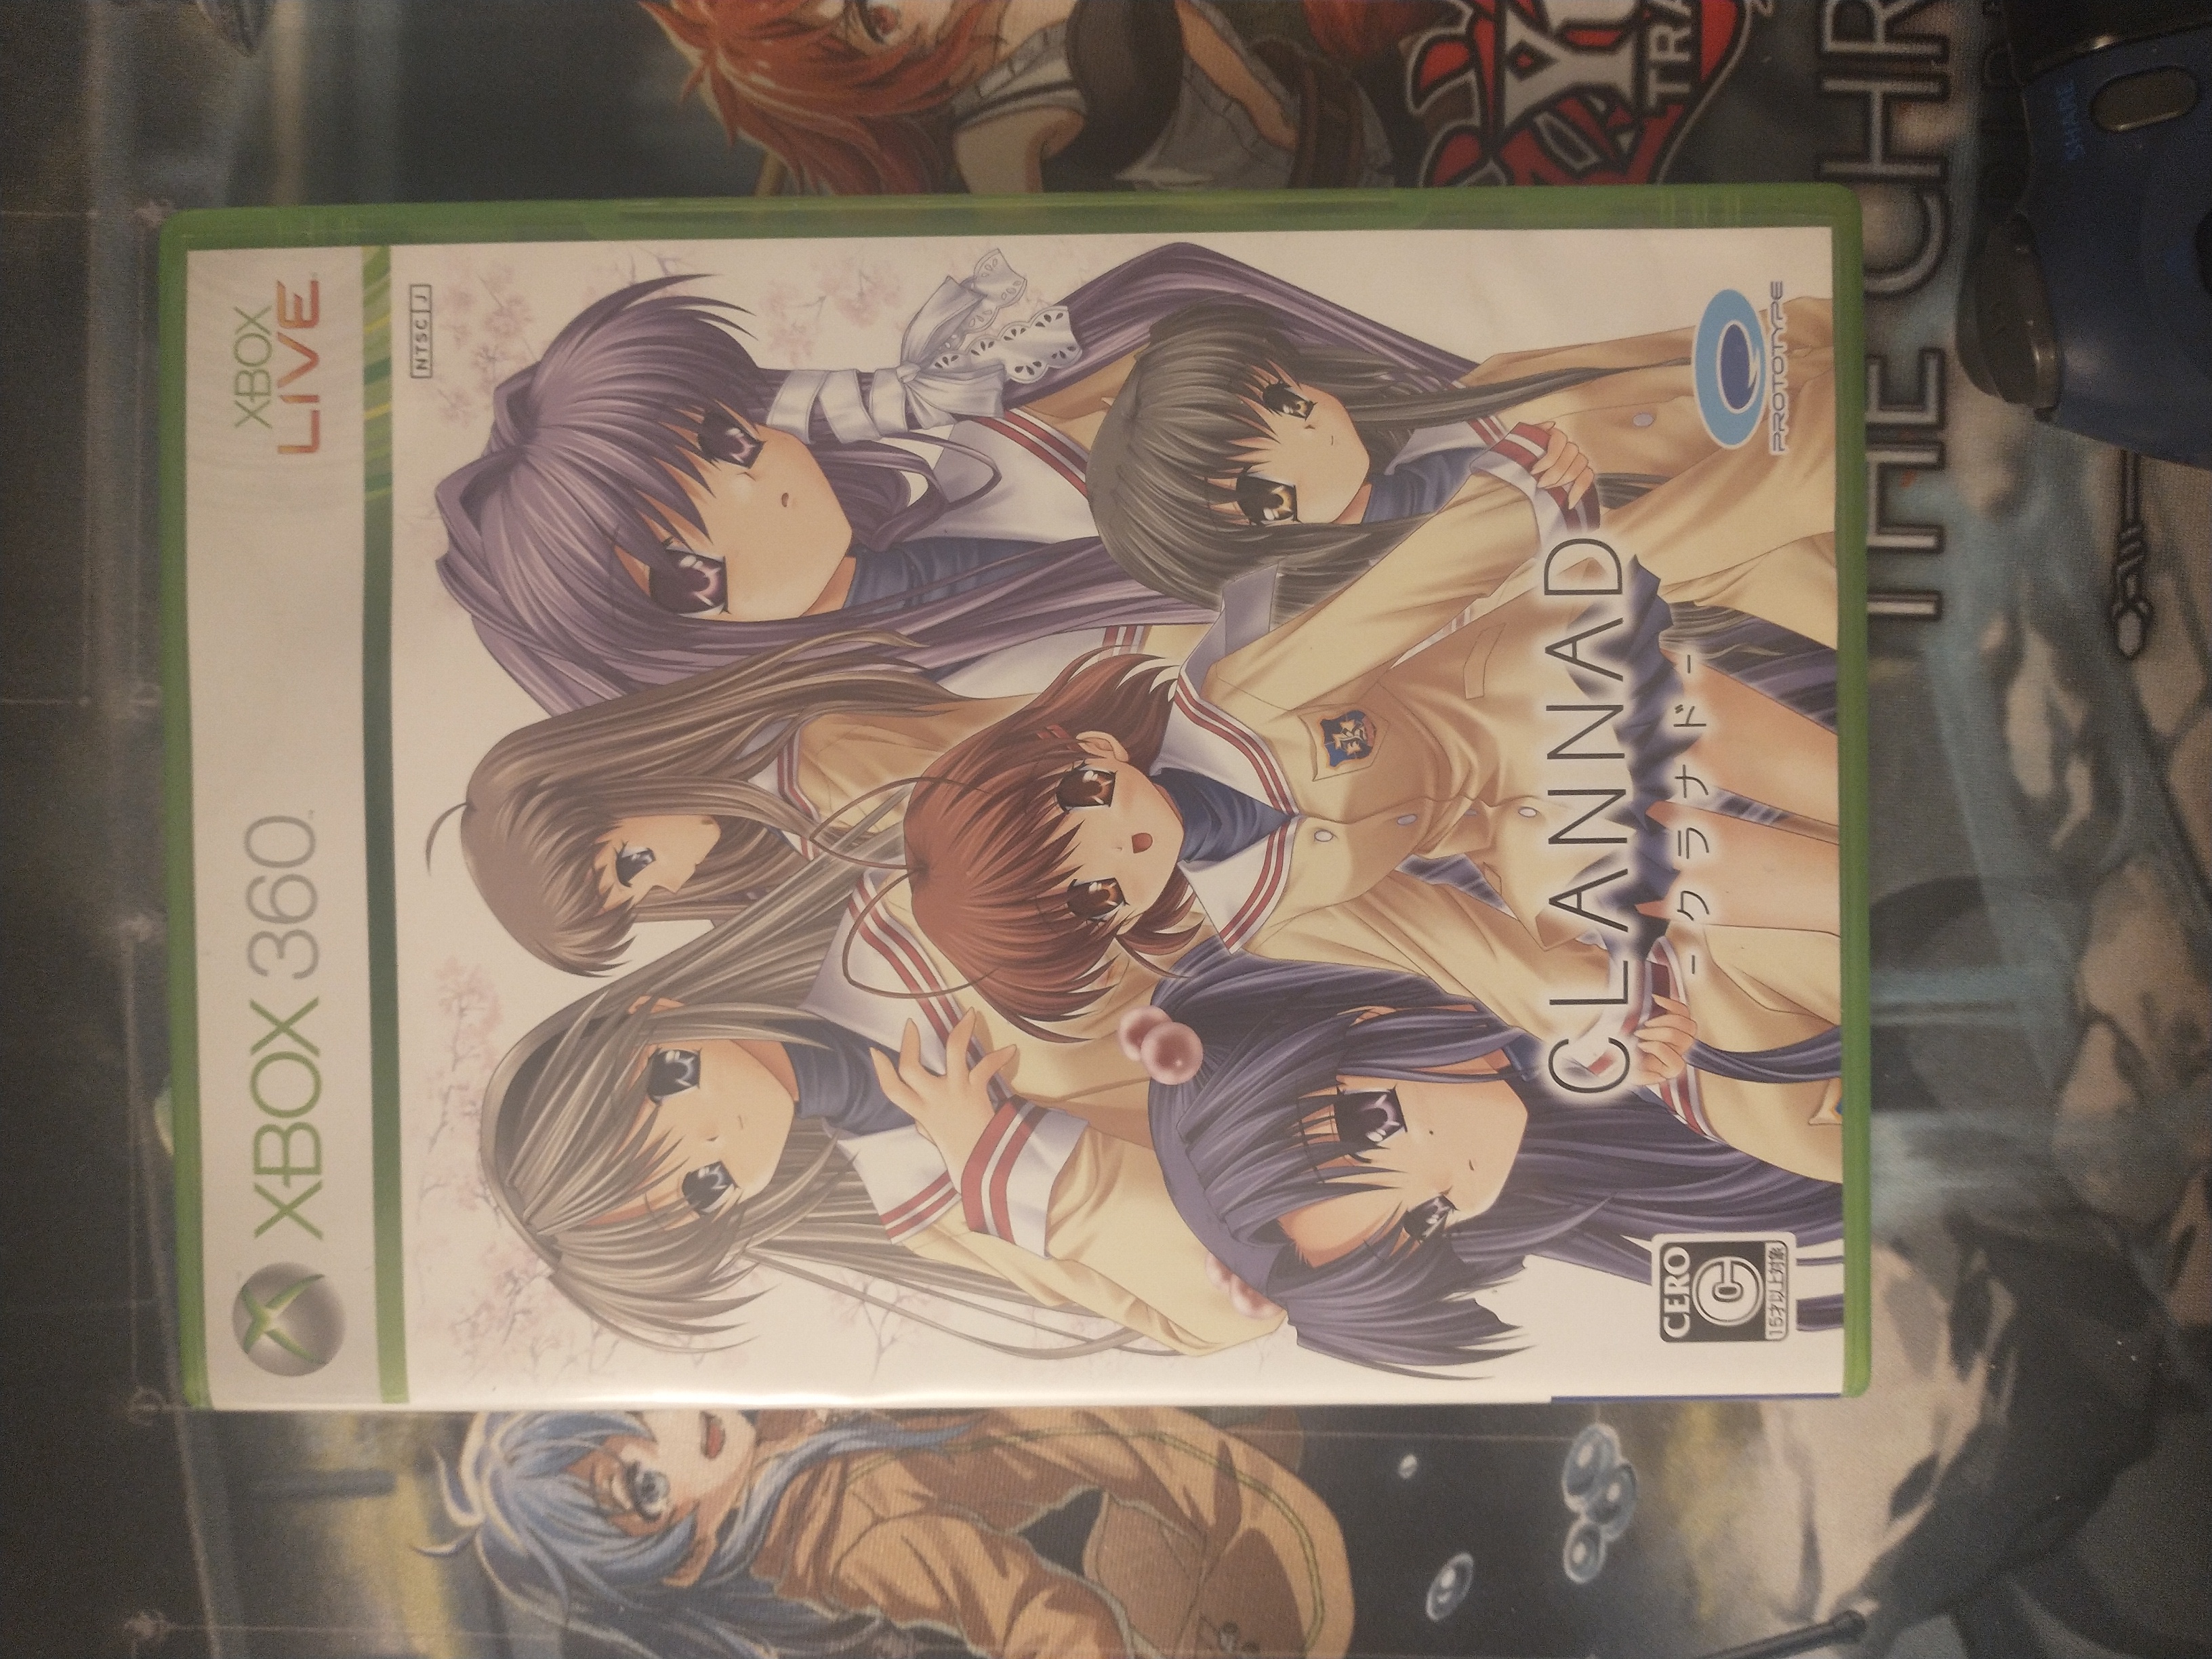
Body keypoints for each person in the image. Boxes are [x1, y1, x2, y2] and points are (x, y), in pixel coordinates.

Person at [903, 420, 1847, 1181]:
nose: (1124, 851)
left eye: (1085, 808)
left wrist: (1517, 497)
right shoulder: (1262, 913)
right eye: (1098, 897)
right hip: (1516, 833)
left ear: (1093, 750)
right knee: (1684, 993)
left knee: (1739, 798)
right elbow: (1445, 943)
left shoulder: (1238, 701)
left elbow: (1395, 600)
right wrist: (1596, 1020)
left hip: (1529, 693)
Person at [434, 242, 1617, 714]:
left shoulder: (976, 450)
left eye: (727, 442)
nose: (761, 493)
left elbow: (1178, 299)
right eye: (694, 569)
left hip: (1470, 482)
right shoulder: (927, 701)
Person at [870, 944, 1845, 1374]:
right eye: (1425, 1223)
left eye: (1373, 1128)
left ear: (1358, 1020)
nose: (1451, 1180)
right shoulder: (1652, 1180)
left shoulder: (1477, 931)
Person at [479, 831, 1278, 1355]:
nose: (718, 1139)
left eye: (668, 1091)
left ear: (652, 1016)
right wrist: (1001, 1159)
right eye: (703, 1187)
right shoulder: (926, 1212)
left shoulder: (899, 914)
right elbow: (1246, 1300)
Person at [436, 1405, 1355, 1659]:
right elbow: (1023, 1612)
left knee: (1099, 1439)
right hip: (987, 1463)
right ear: (683, 1560)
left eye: (641, 1411)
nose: (676, 1436)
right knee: (1086, 1433)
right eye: (644, 1485)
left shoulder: (773, 1434)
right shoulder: (848, 1539)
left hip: (1003, 1439)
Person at [645, 0, 1392, 196]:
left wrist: (1273, 111)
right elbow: (1046, 276)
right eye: (873, 17)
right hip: (1301, 189)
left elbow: (1183, 24)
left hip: (1324, 106)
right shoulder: (993, 135)